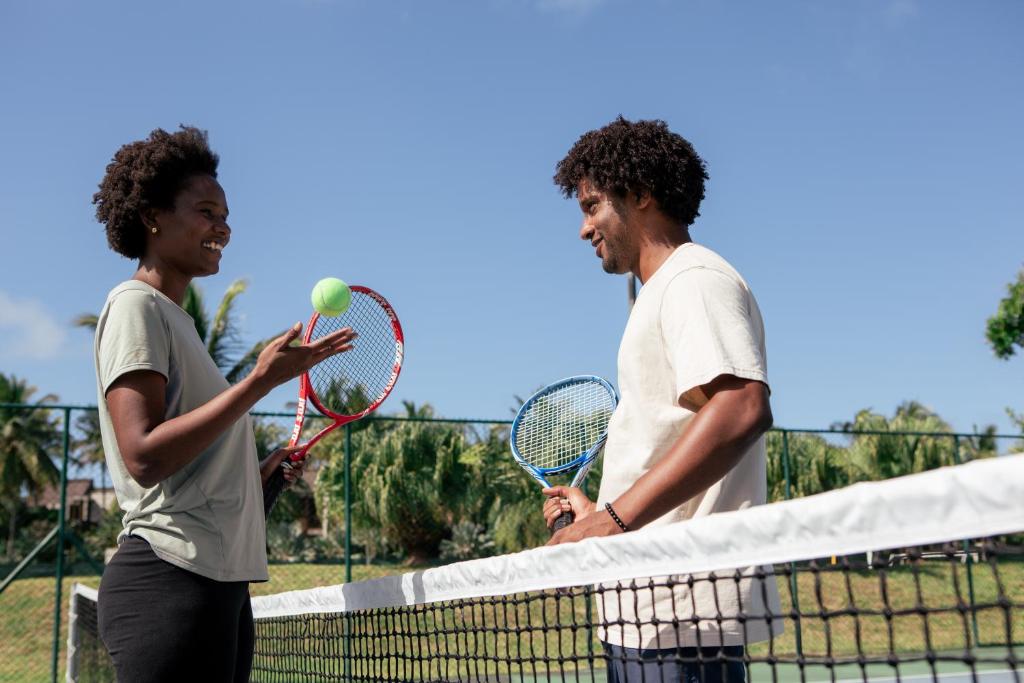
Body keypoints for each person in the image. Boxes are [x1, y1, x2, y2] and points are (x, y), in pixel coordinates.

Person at [91, 126, 356, 682]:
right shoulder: (136, 305)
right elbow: (142, 456)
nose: (223, 228)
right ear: (152, 216)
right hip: (168, 580)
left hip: (218, 586)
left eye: (226, 215)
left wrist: (257, 478)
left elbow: (190, 476)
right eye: (207, 212)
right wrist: (259, 381)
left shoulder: (179, 323)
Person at [542, 117, 781, 682]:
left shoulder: (692, 279)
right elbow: (675, 434)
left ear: (641, 193)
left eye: (592, 206)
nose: (584, 228)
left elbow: (741, 406)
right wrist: (599, 513)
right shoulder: (661, 292)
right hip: (645, 609)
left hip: (681, 611)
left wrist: (612, 521)